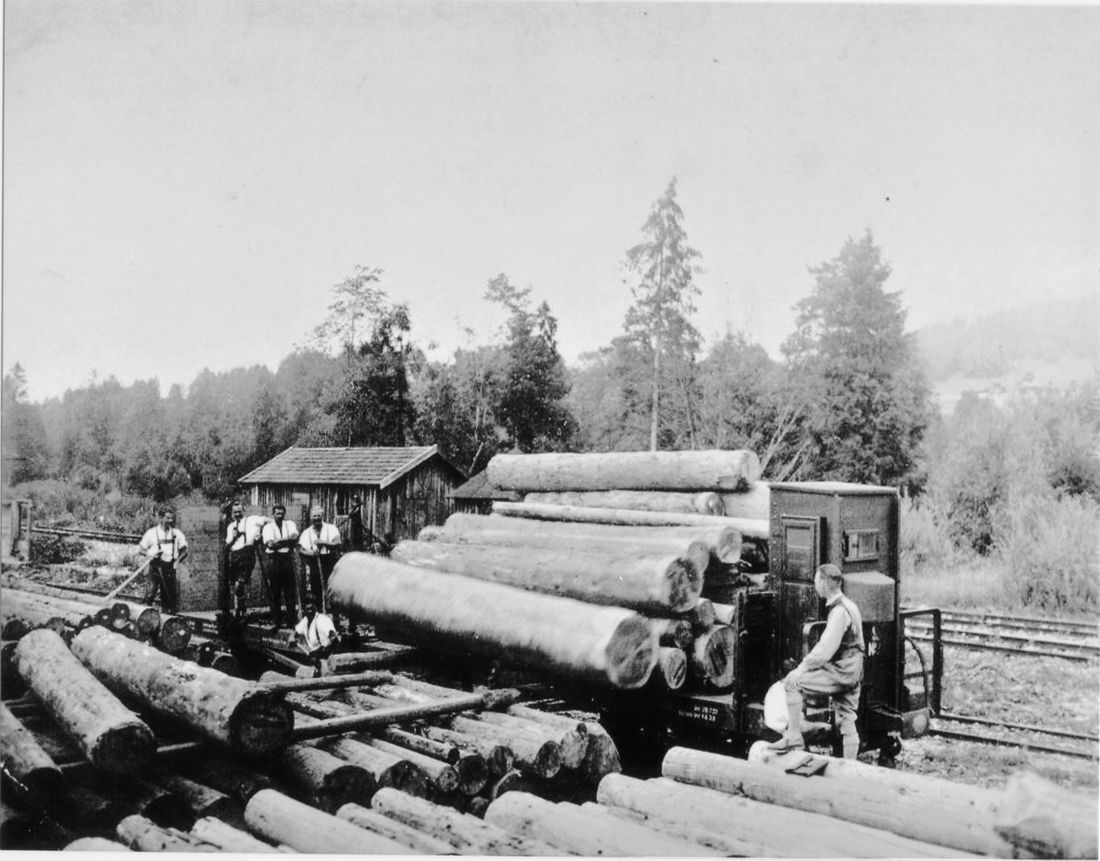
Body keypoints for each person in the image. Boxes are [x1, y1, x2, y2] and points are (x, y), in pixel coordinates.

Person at [769, 563, 865, 759]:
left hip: (841, 669)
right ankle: (850, 770)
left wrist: (801, 669)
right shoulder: (851, 605)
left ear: (824, 583)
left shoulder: (838, 612)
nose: (815, 585)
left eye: (816, 581)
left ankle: (794, 736)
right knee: (847, 718)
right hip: (854, 669)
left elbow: (824, 650)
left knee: (792, 684)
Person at [137, 506, 188, 615]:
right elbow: (141, 550)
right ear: (160, 518)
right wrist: (149, 555)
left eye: (171, 518)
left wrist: (177, 561)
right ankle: (143, 616)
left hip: (169, 568)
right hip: (155, 567)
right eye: (167, 518)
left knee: (169, 597)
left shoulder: (176, 533)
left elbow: (185, 551)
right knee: (150, 592)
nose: (170, 521)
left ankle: (167, 619)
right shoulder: (151, 533)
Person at [261, 504, 300, 630]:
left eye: (282, 513)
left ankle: (290, 622)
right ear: (273, 514)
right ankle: (276, 621)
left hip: (287, 559)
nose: (280, 516)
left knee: (290, 592)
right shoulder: (267, 527)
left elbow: (295, 538)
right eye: (277, 513)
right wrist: (286, 541)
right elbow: (270, 545)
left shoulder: (290, 524)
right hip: (274, 561)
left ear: (284, 514)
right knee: (275, 592)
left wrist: (279, 541)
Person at [298, 506, 342, 616]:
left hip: (329, 561)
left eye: (319, 515)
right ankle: (319, 615)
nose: (317, 518)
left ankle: (334, 617)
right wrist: (311, 553)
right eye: (314, 516)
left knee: (332, 589)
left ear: (322, 516)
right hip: (314, 562)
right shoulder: (306, 533)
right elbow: (301, 550)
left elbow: (337, 543)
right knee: (316, 589)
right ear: (311, 517)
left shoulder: (331, 528)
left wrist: (323, 543)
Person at [224, 502, 257, 619]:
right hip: (234, 555)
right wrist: (234, 537)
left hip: (247, 554)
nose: (237, 514)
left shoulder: (252, 521)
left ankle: (239, 609)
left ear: (244, 511)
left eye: (239, 511)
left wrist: (260, 534)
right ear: (232, 514)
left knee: (239, 584)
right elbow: (227, 545)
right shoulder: (230, 526)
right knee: (235, 585)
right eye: (235, 512)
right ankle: (240, 610)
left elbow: (268, 521)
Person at [291, 602, 339, 675]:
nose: (310, 611)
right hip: (313, 653)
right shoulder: (306, 620)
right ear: (304, 611)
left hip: (324, 651)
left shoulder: (321, 619)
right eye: (307, 609)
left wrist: (326, 651)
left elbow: (333, 636)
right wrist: (291, 637)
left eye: (311, 609)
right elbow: (296, 630)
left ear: (315, 610)